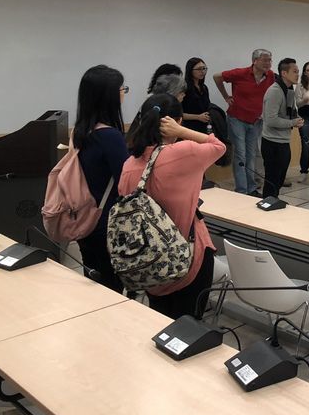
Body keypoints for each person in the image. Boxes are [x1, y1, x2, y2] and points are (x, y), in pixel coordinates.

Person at [119, 93, 226, 319]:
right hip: (187, 259)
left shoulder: (129, 164)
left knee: (161, 323)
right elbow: (219, 146)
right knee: (189, 325)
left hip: (149, 264)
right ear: (176, 122)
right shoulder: (185, 152)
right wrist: (183, 132)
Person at [73, 65, 129, 293]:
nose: (124, 93)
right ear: (109, 96)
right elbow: (126, 182)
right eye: (122, 89)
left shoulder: (81, 131)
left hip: (85, 218)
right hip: (107, 224)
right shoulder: (110, 136)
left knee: (93, 285)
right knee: (111, 289)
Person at [213, 49, 275, 194]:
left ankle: (251, 188)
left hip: (256, 121)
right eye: (265, 60)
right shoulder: (240, 73)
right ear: (255, 61)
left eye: (270, 60)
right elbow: (217, 77)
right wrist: (226, 96)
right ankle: (242, 189)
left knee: (251, 155)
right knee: (240, 154)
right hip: (237, 119)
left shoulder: (270, 75)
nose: (268, 63)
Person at [262, 58, 303, 197]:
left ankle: (274, 200)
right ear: (284, 73)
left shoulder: (289, 90)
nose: (298, 74)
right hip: (272, 142)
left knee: (280, 178)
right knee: (272, 180)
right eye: (295, 71)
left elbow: (289, 113)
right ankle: (268, 202)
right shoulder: (275, 91)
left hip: (283, 140)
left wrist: (297, 119)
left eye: (298, 71)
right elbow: (271, 120)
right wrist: (292, 123)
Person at [181, 57, 212, 133]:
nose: (203, 71)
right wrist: (198, 117)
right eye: (199, 69)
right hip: (189, 128)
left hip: (204, 126)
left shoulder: (204, 88)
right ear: (190, 70)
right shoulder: (184, 88)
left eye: (204, 68)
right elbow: (178, 113)